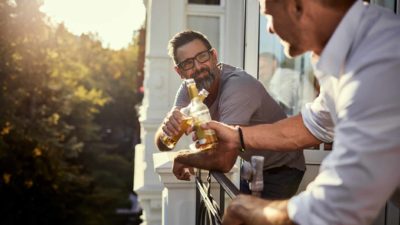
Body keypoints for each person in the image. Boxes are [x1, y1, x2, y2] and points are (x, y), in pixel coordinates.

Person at [195, 0, 400, 224]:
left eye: (268, 15)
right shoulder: (351, 52)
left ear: (297, 6)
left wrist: (251, 210)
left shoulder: (380, 61)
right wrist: (236, 135)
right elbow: (312, 125)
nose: (269, 29)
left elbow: (334, 209)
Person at [155, 30, 306, 199]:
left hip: (282, 167)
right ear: (179, 71)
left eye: (202, 57)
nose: (198, 67)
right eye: (188, 64)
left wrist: (183, 158)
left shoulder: (238, 87)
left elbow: (224, 160)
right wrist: (167, 126)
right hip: (250, 165)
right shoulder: (189, 88)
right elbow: (163, 144)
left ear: (214, 56)